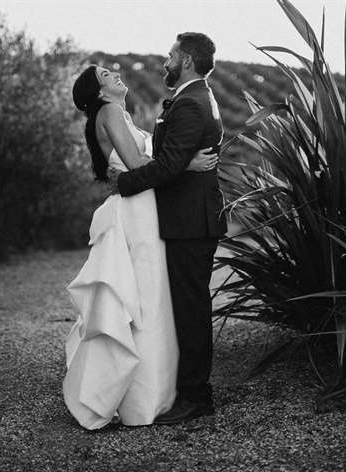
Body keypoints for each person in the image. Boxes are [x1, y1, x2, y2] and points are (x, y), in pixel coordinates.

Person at [63, 64, 219, 430]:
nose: (114, 75)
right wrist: (189, 165)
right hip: (137, 209)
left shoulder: (118, 113)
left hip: (145, 205)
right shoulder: (111, 111)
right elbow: (136, 163)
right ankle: (143, 393)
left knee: (151, 299)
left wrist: (174, 160)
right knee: (147, 298)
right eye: (105, 75)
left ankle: (152, 390)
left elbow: (148, 161)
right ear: (98, 91)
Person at [114, 32, 227, 425]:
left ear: (188, 61)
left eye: (171, 55)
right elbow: (175, 160)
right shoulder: (197, 97)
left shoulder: (191, 104)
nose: (166, 61)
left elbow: (167, 165)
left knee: (191, 310)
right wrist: (182, 164)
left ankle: (197, 396)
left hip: (191, 222)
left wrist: (123, 184)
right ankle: (190, 389)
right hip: (189, 217)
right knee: (186, 306)